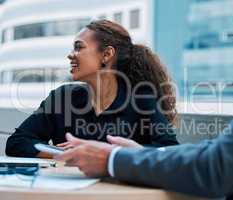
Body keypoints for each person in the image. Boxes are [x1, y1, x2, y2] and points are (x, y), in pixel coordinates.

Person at [53, 0, 233, 199]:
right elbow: (230, 153)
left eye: (78, 47)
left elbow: (220, 164)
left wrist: (110, 158)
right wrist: (135, 155)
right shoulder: (64, 96)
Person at [5, 20, 179, 158]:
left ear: (106, 55)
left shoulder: (141, 99)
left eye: (79, 47)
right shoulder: (62, 98)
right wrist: (66, 154)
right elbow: (17, 142)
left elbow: (170, 151)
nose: (70, 54)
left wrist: (109, 154)